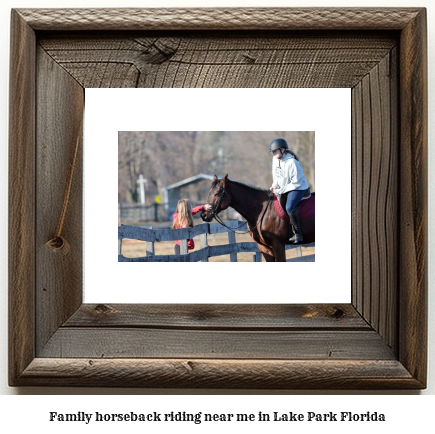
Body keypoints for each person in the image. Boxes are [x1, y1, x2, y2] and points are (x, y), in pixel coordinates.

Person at [268, 138, 309, 243]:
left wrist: (280, 190)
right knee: (280, 206)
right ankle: (288, 232)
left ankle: (298, 234)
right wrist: (274, 186)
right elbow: (276, 175)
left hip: (298, 187)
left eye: (275, 151)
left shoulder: (293, 163)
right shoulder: (275, 159)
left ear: (282, 150)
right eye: (272, 152)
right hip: (285, 187)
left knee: (289, 207)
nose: (273, 154)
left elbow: (296, 182)